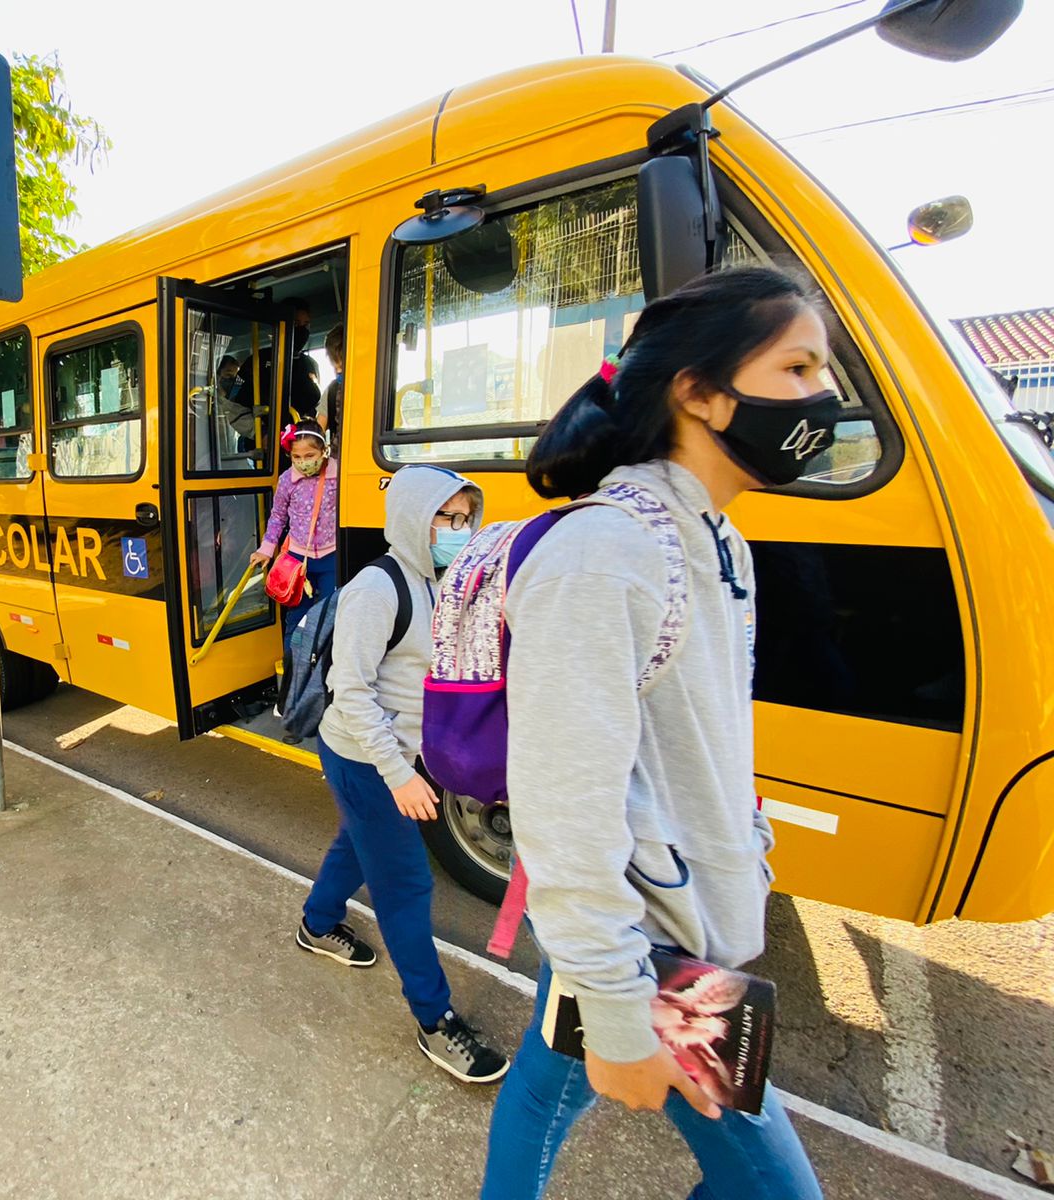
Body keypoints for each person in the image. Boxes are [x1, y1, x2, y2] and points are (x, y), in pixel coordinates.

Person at [479, 266, 833, 1199]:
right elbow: (563, 805)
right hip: (654, 941)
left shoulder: (721, 541)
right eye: (798, 369)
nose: (822, 398)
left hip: (684, 917)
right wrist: (624, 1013)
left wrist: (744, 849)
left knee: (546, 1083)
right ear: (701, 393)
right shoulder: (604, 556)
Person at [294, 463, 510, 1085]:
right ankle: (436, 1020)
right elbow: (350, 692)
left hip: (396, 756)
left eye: (466, 517)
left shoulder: (438, 579)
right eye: (446, 516)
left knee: (357, 848)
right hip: (363, 757)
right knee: (407, 884)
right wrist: (399, 775)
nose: (457, 528)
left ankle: (317, 923)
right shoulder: (377, 588)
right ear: (415, 516)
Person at [250, 420, 337, 639]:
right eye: (296, 457)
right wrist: (266, 549)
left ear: (323, 451)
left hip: (332, 557)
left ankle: (322, 666)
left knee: (331, 616)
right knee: (296, 617)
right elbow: (278, 517)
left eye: (309, 456)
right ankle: (293, 665)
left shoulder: (339, 476)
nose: (303, 462)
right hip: (297, 559)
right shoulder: (287, 480)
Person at [321, 322, 345, 437]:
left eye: (342, 367)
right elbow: (318, 430)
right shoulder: (332, 391)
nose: (339, 372)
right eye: (335, 368)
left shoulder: (379, 389)